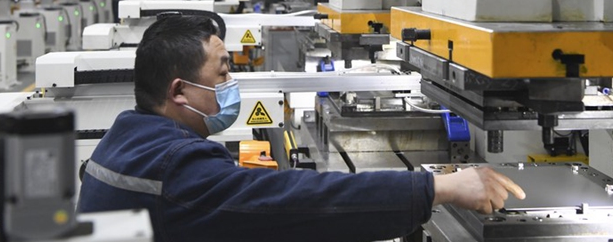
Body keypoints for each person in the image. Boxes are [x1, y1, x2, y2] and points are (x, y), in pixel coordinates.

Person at [77, 16, 525, 242]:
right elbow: (296, 201)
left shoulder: (127, 138)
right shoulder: (175, 166)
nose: (232, 85)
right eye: (222, 74)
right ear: (180, 91)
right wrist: (437, 188)